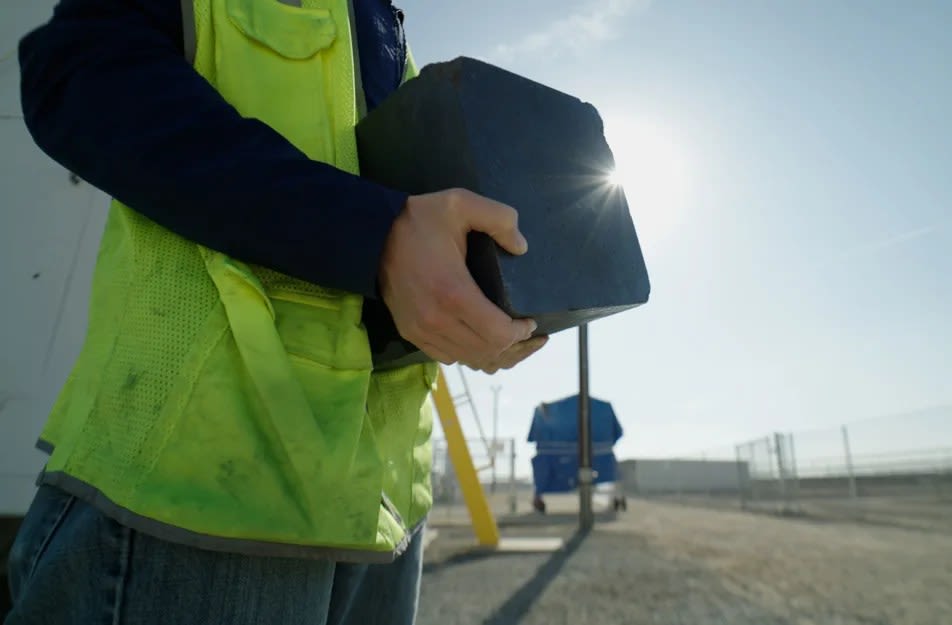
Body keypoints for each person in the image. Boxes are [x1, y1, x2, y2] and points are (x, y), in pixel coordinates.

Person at [5, 1, 547, 623]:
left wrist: (467, 305)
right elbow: (76, 75)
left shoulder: (381, 26)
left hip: (384, 513)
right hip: (194, 501)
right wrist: (374, 236)